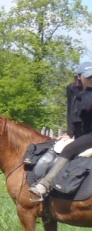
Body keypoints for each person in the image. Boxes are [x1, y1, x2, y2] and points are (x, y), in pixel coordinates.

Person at [30, 60, 92, 199]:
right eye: (88, 76)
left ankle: (45, 184)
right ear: (79, 76)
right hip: (80, 132)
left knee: (68, 150)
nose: (91, 79)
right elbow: (70, 112)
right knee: (58, 145)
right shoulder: (71, 89)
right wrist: (70, 134)